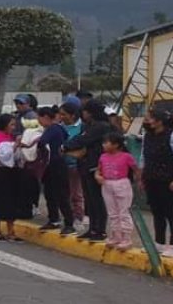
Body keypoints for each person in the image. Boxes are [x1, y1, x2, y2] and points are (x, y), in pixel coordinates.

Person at [64, 100, 112, 242]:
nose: (82, 114)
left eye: (84, 111)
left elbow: (83, 140)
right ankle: (92, 228)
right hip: (85, 165)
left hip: (96, 166)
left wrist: (65, 146)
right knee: (89, 200)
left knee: (97, 200)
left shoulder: (101, 126)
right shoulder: (88, 126)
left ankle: (100, 230)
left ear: (90, 112)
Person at [141, 109, 173, 258]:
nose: (146, 121)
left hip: (168, 179)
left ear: (159, 121)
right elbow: (143, 157)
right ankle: (159, 242)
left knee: (171, 213)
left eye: (149, 118)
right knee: (157, 211)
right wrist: (142, 177)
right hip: (151, 178)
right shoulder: (147, 136)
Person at [28, 107, 75, 235]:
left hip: (56, 164)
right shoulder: (58, 129)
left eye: (39, 118)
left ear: (45, 117)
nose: (39, 121)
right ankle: (54, 219)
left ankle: (69, 223)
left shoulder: (53, 129)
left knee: (61, 195)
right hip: (52, 165)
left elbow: (42, 142)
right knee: (50, 194)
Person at [96, 132, 139, 250]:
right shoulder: (103, 157)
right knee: (112, 212)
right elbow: (99, 170)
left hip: (121, 183)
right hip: (107, 184)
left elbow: (136, 169)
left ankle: (126, 237)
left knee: (123, 212)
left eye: (107, 142)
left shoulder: (126, 156)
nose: (104, 145)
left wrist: (139, 181)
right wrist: (98, 176)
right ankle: (116, 235)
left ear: (116, 145)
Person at [0, 114, 23, 242]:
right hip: (3, 171)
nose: (13, 128)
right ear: (4, 125)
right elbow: (3, 156)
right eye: (11, 125)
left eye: (14, 125)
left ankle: (11, 231)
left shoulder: (11, 137)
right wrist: (15, 146)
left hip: (13, 172)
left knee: (12, 201)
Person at [59, 103, 87, 229]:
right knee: (65, 194)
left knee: (76, 193)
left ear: (73, 115)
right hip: (62, 165)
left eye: (64, 114)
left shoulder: (82, 127)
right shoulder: (60, 127)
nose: (61, 117)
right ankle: (68, 217)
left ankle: (78, 217)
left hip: (76, 165)